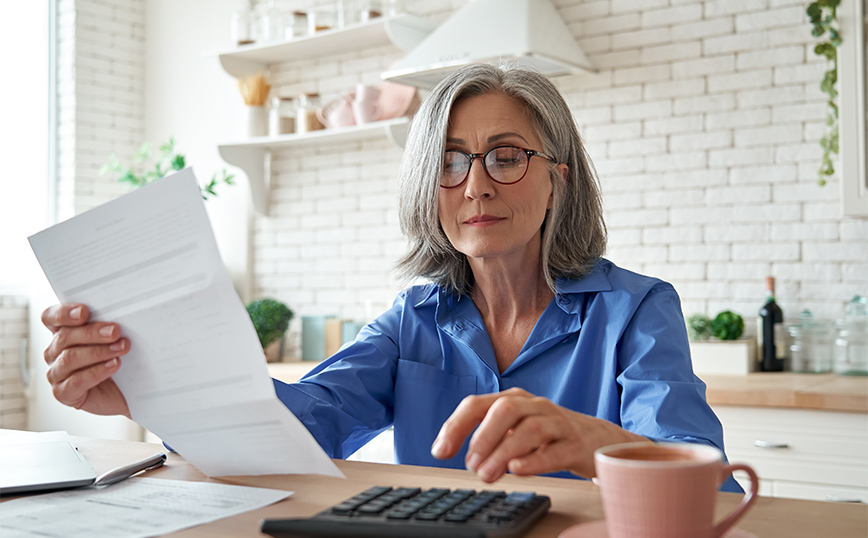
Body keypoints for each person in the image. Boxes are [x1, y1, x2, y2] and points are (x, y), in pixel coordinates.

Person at [41, 63, 741, 491]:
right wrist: (145, 389)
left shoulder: (636, 310)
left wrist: (594, 443)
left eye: (505, 157)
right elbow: (300, 426)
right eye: (449, 161)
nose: (475, 186)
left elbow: (704, 473)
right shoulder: (414, 320)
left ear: (556, 181)